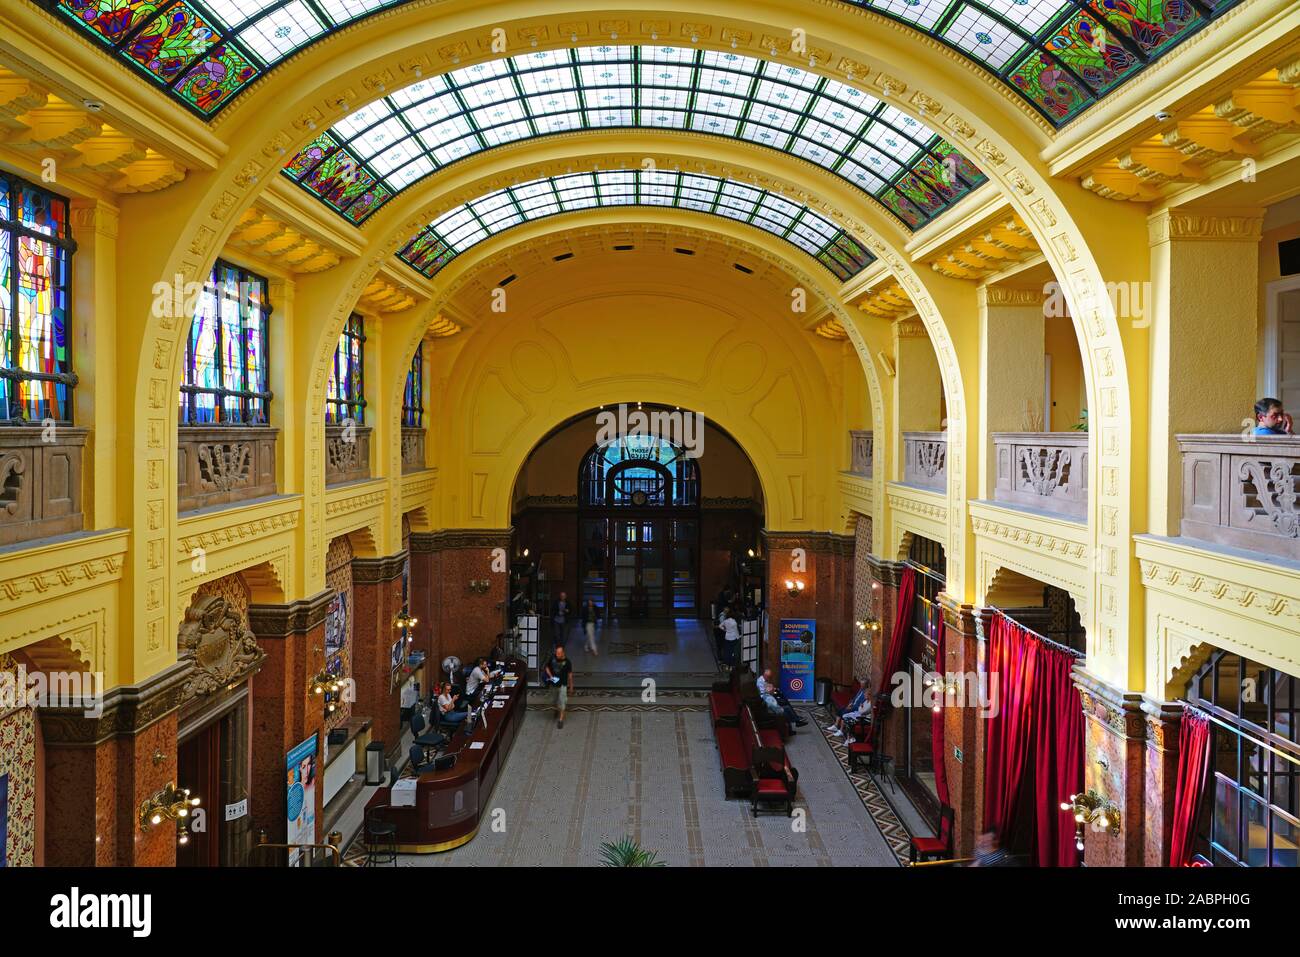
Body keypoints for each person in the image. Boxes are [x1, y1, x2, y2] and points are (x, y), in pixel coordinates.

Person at [543, 644, 574, 729]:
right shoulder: (552, 658)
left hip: (562, 685)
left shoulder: (567, 662)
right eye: (556, 652)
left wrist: (571, 687)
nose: (557, 655)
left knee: (562, 701)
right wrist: (550, 676)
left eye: (559, 653)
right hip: (553, 685)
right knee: (553, 700)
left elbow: (570, 676)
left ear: (563, 653)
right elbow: (547, 667)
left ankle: (560, 720)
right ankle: (557, 709)